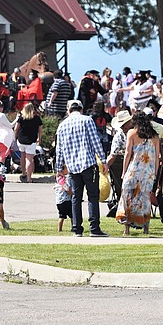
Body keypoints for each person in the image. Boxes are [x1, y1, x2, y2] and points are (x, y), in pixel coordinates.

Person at [54, 100, 108, 237]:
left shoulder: (62, 125)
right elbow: (95, 141)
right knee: (93, 196)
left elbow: (59, 149)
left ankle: (77, 228)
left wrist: (58, 168)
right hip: (88, 164)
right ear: (81, 109)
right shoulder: (87, 120)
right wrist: (103, 160)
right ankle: (94, 228)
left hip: (72, 167)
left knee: (76, 198)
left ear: (68, 110)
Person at [117, 111, 159, 235]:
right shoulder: (155, 137)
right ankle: (146, 228)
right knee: (145, 199)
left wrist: (124, 172)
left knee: (128, 197)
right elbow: (157, 157)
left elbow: (127, 154)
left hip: (134, 170)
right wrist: (155, 173)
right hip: (148, 173)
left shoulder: (132, 133)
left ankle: (127, 229)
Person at [14, 102, 43, 183]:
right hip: (31, 141)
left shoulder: (21, 118)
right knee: (29, 159)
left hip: (21, 140)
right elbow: (40, 130)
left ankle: (23, 174)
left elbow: (16, 128)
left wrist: (15, 137)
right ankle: (29, 178)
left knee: (22, 157)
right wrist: (39, 139)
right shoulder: (37, 118)